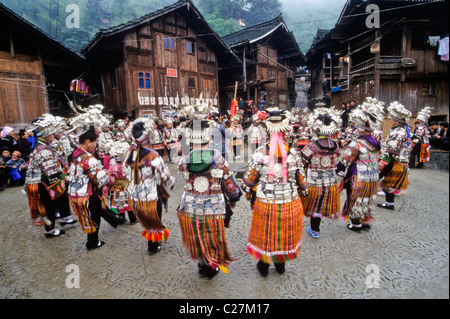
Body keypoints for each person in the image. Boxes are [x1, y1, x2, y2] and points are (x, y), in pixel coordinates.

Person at [242, 107, 308, 277]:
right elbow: (302, 182)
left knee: (267, 232)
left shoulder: (260, 154)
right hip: (289, 201)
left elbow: (248, 182)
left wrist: (249, 192)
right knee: (284, 232)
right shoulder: (293, 154)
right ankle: (280, 264)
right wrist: (304, 192)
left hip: (266, 202)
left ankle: (264, 265)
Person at [177, 108, 242, 280]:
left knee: (196, 235)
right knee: (212, 236)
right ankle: (211, 266)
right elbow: (229, 184)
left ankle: (201, 263)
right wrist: (234, 197)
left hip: (190, 205)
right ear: (208, 138)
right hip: (213, 205)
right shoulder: (219, 159)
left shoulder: (184, 162)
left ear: (190, 141)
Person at [336, 97, 385, 232]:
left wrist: (338, 168)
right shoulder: (376, 142)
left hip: (359, 176)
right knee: (367, 198)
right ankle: (365, 221)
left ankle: (356, 224)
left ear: (360, 127)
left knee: (356, 198)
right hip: (373, 175)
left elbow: (345, 160)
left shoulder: (357, 143)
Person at [126, 118, 174, 255]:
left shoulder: (131, 155)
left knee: (146, 220)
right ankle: (152, 245)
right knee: (154, 219)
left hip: (134, 194)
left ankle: (158, 236)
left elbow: (126, 172)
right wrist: (170, 183)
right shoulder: (153, 156)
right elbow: (164, 177)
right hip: (150, 195)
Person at [68, 126, 118, 250]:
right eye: (95, 142)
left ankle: (113, 221)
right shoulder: (89, 159)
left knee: (93, 214)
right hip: (88, 193)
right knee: (94, 216)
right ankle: (92, 242)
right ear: (88, 142)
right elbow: (100, 180)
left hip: (76, 191)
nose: (96, 145)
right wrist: (109, 177)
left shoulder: (75, 153)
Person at [28, 115, 75, 238]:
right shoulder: (42, 148)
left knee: (54, 203)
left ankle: (60, 221)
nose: (54, 135)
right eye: (52, 133)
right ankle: (50, 230)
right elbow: (50, 169)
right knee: (48, 207)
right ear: (46, 134)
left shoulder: (43, 145)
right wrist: (64, 177)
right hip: (43, 182)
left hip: (45, 181)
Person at [301, 106, 343, 239]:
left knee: (314, 204)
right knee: (321, 204)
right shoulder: (335, 145)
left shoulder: (311, 146)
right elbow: (336, 160)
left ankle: (315, 229)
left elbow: (302, 162)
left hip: (313, 181)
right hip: (330, 181)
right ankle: (315, 228)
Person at [377, 101, 412, 210]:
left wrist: (383, 162)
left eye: (392, 119)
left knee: (377, 177)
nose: (390, 120)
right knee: (388, 181)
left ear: (396, 121)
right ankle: (389, 204)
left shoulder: (398, 132)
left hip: (393, 160)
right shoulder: (400, 130)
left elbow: (392, 149)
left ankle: (365, 197)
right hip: (395, 160)